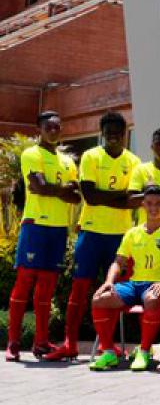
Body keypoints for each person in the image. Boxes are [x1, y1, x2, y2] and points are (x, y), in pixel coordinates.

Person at [47, 111, 139, 361]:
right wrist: (120, 196)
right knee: (79, 289)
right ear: (102, 134)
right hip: (91, 232)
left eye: (117, 133)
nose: (113, 137)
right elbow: (90, 196)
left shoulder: (133, 162)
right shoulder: (90, 156)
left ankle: (107, 346)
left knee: (115, 293)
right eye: (108, 133)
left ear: (124, 135)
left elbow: (132, 202)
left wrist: (111, 198)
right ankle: (70, 343)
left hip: (120, 236)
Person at [88, 186, 160, 371]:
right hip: (134, 285)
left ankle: (143, 352)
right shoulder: (132, 233)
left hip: (157, 284)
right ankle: (109, 353)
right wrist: (109, 281)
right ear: (143, 205)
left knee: (152, 299)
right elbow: (118, 262)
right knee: (99, 300)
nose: (154, 208)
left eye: (158, 204)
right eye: (149, 204)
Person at [7, 111, 80, 362]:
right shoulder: (31, 154)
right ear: (39, 129)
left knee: (46, 289)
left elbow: (75, 196)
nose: (54, 130)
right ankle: (14, 343)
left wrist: (53, 190)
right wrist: (58, 190)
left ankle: (40, 342)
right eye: (49, 126)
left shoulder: (68, 161)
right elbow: (38, 188)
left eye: (57, 127)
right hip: (36, 225)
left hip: (58, 229)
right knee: (24, 282)